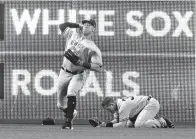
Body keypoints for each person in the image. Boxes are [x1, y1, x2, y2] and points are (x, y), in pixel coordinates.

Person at [57, 19, 103, 129]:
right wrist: (78, 25)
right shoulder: (73, 35)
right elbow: (62, 25)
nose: (86, 26)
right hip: (64, 72)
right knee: (60, 105)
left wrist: (80, 62)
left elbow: (98, 67)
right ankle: (71, 113)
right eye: (85, 24)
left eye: (89, 25)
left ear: (93, 29)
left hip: (78, 74)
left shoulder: (93, 47)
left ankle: (68, 123)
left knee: (71, 92)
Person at [99, 95, 175, 128]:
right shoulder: (117, 105)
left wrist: (106, 126)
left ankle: (161, 121)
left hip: (151, 104)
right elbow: (116, 120)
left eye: (108, 109)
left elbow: (122, 125)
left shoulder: (122, 106)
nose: (109, 111)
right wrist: (102, 124)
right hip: (141, 109)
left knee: (138, 125)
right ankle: (151, 121)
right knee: (129, 125)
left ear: (112, 104)